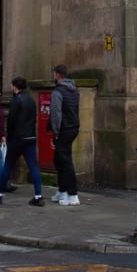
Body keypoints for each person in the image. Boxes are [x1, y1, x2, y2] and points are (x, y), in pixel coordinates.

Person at [0, 76, 45, 207]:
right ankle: (38, 196)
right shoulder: (31, 100)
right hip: (30, 137)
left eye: (12, 86)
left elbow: (11, 121)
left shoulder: (16, 100)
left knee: (8, 165)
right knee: (33, 166)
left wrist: (9, 135)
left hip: (17, 138)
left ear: (15, 87)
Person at [49, 64, 81, 206]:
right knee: (59, 159)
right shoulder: (74, 91)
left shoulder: (58, 91)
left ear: (57, 75)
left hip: (63, 130)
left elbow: (56, 114)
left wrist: (55, 132)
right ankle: (62, 190)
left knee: (65, 161)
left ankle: (72, 194)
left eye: (54, 74)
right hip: (73, 127)